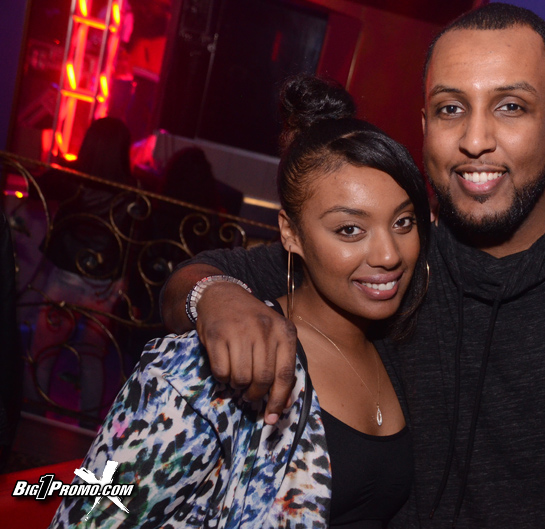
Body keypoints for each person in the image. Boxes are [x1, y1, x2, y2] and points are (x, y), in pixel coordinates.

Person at [160, 4, 545, 527]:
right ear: (425, 127)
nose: (476, 139)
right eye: (451, 108)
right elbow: (197, 279)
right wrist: (215, 296)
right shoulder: (396, 257)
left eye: (511, 107)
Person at [50, 75, 431, 528]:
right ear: (290, 233)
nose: (389, 255)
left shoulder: (394, 346)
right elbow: (88, 517)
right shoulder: (216, 360)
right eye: (350, 229)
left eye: (403, 222)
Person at [25, 117, 137, 422]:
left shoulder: (72, 177)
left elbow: (32, 187)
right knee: (92, 359)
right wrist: (122, 281)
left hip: (65, 280)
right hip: (103, 288)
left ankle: (32, 422)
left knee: (42, 355)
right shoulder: (133, 190)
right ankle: (87, 431)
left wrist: (55, 163)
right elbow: (135, 241)